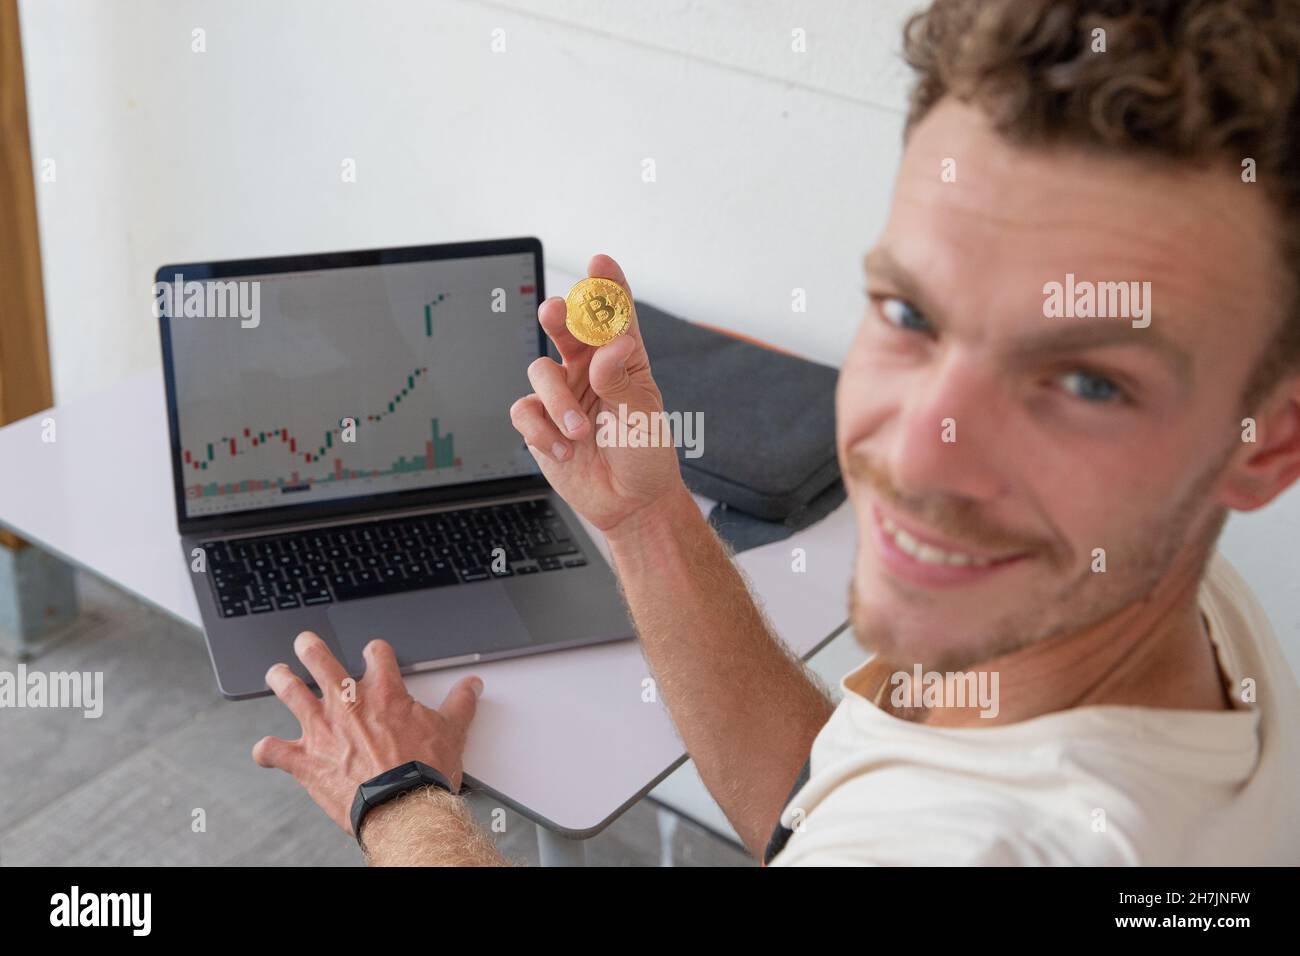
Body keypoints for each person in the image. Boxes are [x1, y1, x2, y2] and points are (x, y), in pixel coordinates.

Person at [253, 0, 1300, 865]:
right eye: (910, 315)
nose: (914, 456)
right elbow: (809, 802)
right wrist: (646, 517)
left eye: (1084, 381)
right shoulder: (1182, 611)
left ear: (1266, 443)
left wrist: (397, 794)